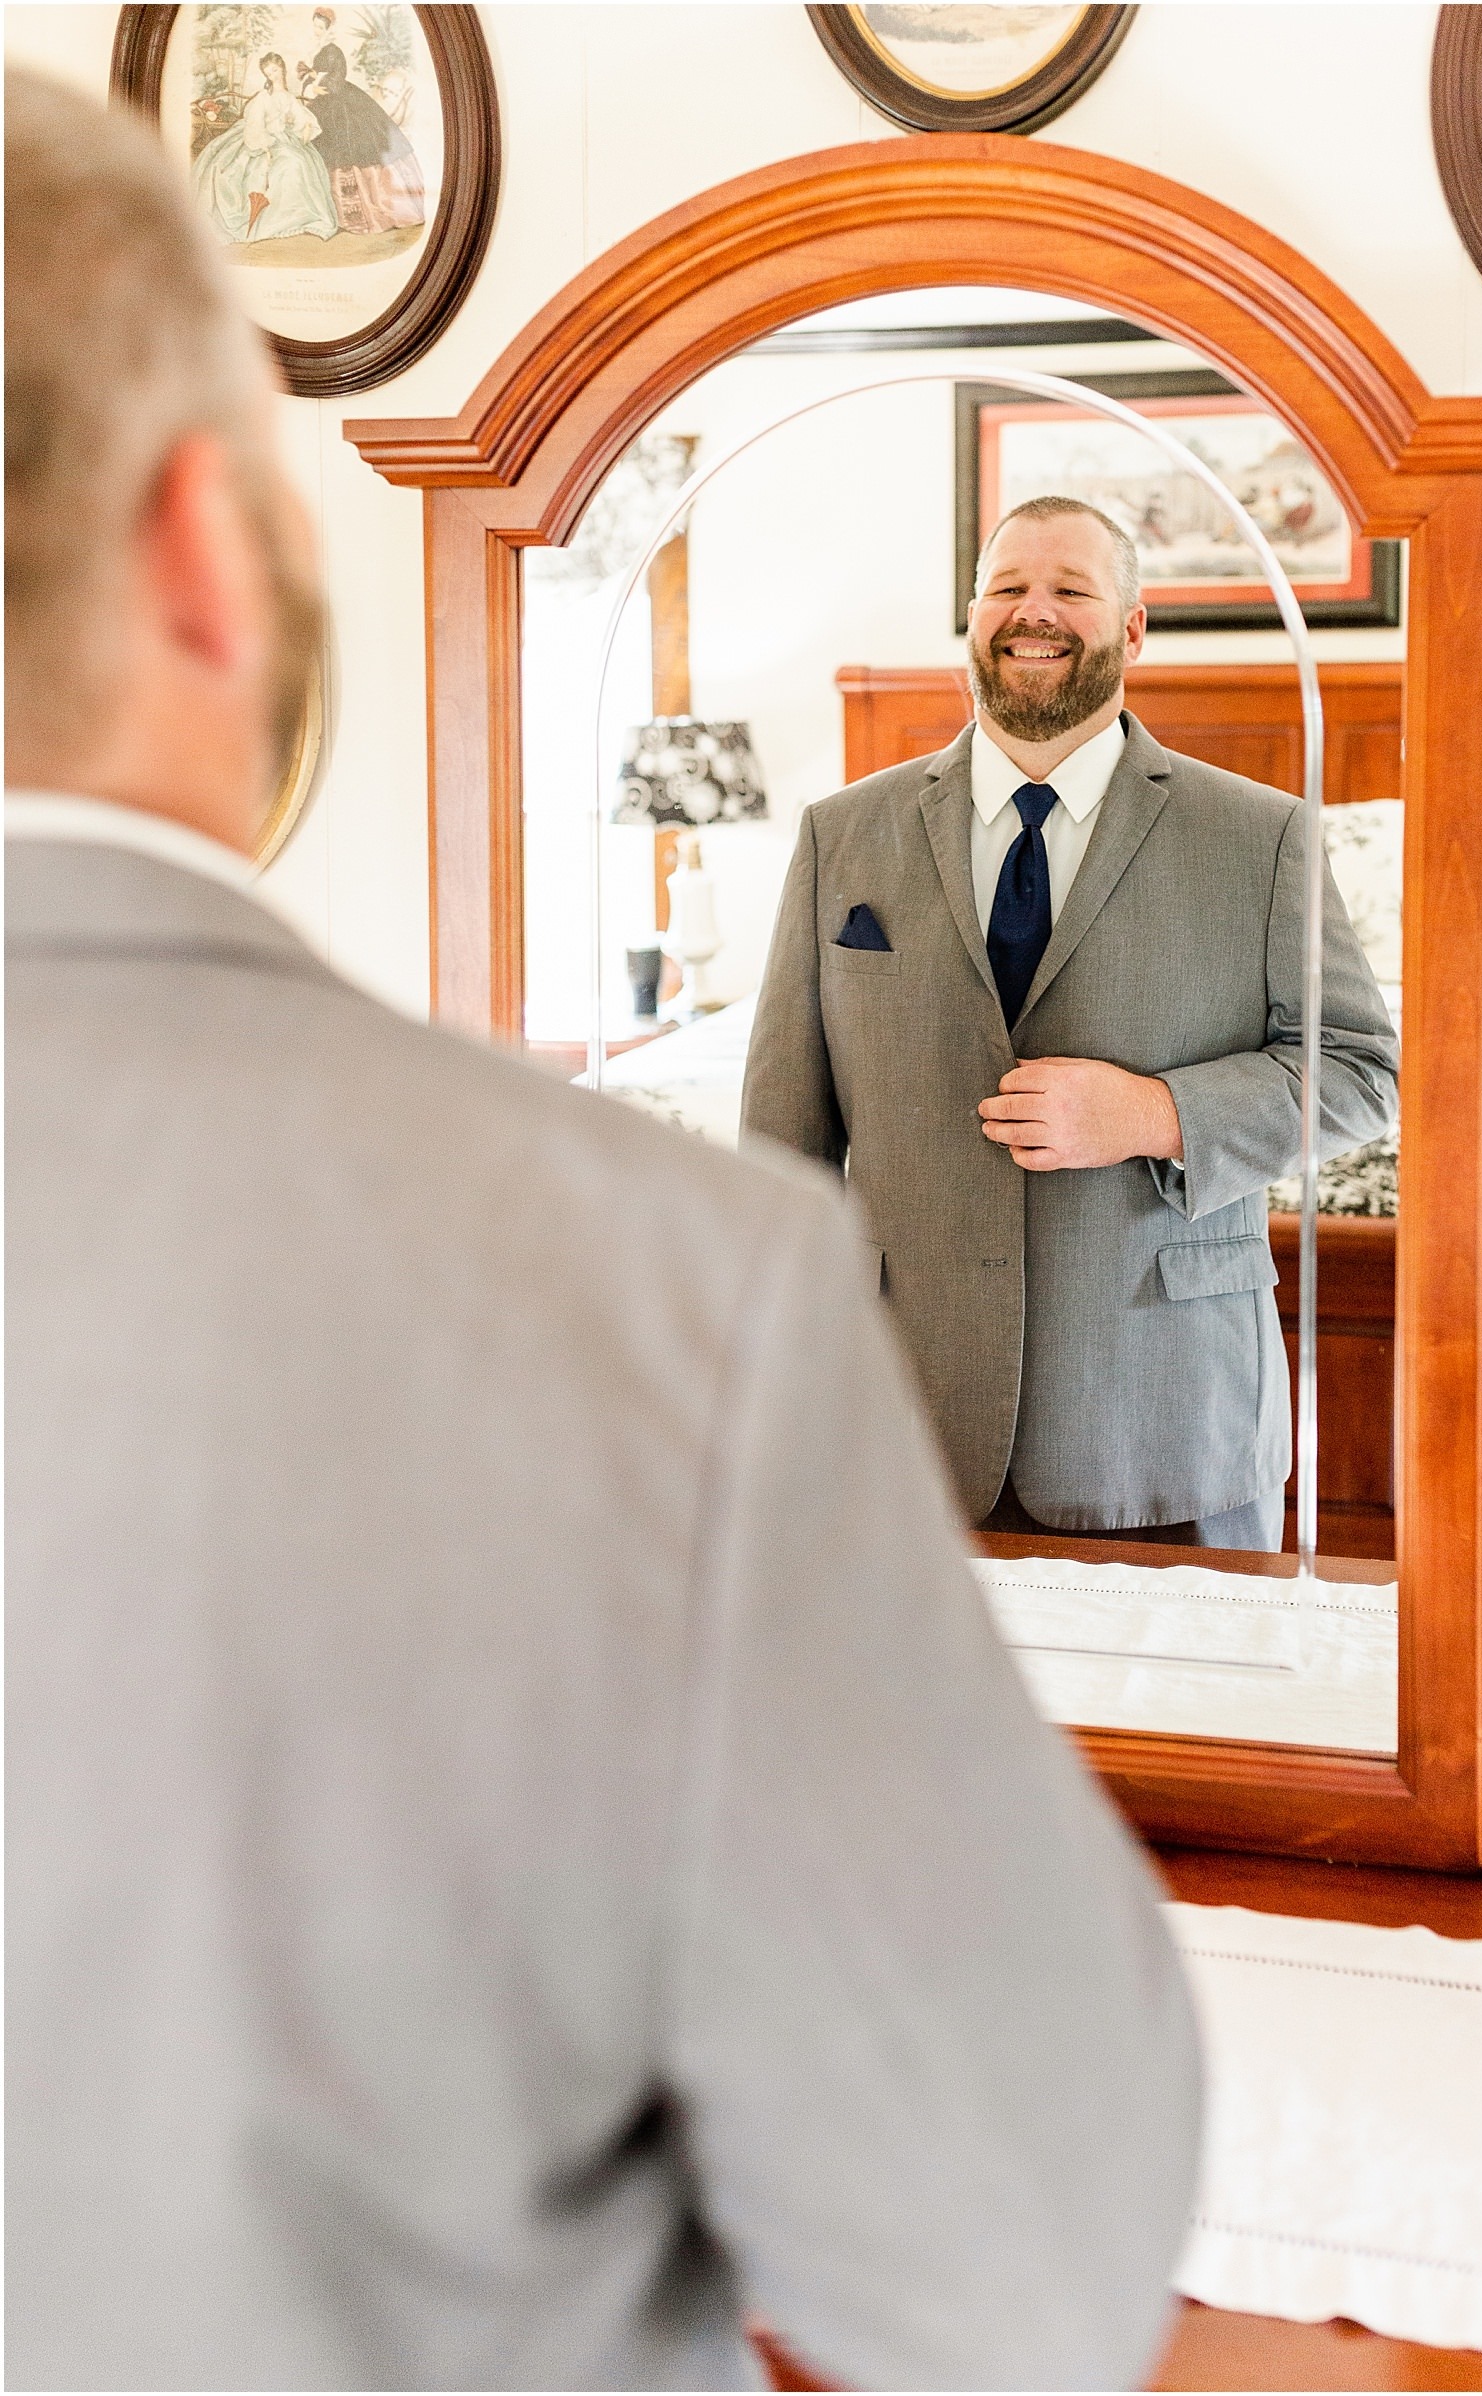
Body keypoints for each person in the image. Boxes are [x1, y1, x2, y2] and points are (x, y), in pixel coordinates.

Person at [6, 71, 1201, 2394]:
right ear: (194, 548)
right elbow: (1016, 2272)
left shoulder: (1240, 837)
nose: (1028, 610)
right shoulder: (666, 1292)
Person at [742, 496, 1398, 1549]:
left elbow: (1363, 1071)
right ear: (971, 618)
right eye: (1006, 588)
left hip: (1167, 1423)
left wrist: (1155, 1112)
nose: (1031, 612)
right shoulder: (838, 836)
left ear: (1131, 627)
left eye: (1069, 590)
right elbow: (781, 1140)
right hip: (894, 1421)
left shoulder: (1262, 836)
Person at [297, 7, 426, 237]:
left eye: (320, 27)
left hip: (340, 103)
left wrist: (318, 87)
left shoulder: (333, 50)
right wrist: (310, 82)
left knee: (353, 147)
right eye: (315, 26)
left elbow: (337, 78)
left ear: (328, 28)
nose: (317, 30)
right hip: (323, 103)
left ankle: (362, 211)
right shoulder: (318, 49)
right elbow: (311, 74)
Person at [191, 53, 338, 247]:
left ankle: (300, 217)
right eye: (268, 73)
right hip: (262, 141)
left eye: (275, 70)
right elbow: (254, 126)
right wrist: (265, 146)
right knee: (280, 166)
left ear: (282, 69)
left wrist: (305, 129)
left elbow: (302, 119)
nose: (272, 76)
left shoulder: (289, 97)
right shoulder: (263, 97)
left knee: (299, 162)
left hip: (285, 139)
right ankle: (265, 222)